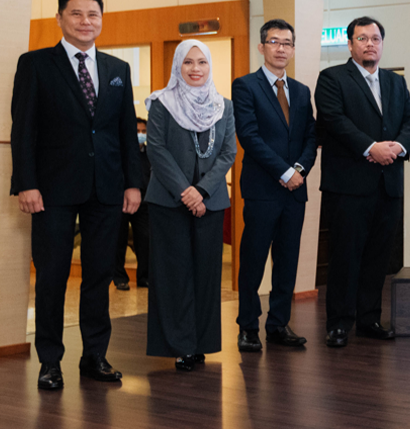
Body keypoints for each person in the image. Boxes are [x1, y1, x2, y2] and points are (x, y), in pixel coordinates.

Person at [10, 0, 143, 391]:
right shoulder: (35, 64)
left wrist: (133, 183)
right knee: (51, 276)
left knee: (99, 275)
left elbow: (126, 132)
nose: (86, 22)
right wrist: (26, 184)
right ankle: (50, 361)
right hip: (51, 190)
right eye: (77, 14)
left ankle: (94, 356)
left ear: (101, 20)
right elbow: (23, 130)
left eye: (93, 15)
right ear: (60, 18)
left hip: (106, 188)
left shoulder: (118, 69)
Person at [316, 16, 410, 347]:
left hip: (388, 185)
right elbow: (334, 120)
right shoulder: (332, 78)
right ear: (350, 44)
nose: (370, 44)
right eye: (362, 38)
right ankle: (339, 323)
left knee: (378, 257)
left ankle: (369, 318)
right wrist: (371, 147)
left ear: (382, 44)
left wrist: (397, 148)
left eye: (375, 38)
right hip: (348, 186)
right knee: (345, 257)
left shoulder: (395, 82)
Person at [144, 40, 237, 371]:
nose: (195, 69)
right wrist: (186, 192)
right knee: (174, 275)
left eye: (202, 62)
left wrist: (202, 191)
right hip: (169, 202)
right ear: (177, 66)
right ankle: (180, 345)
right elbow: (156, 150)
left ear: (209, 66)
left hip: (210, 202)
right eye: (188, 62)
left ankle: (202, 343)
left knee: (207, 275)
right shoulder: (162, 103)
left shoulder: (223, 106)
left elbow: (228, 152)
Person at [232, 19, 318, 352]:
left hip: (295, 191)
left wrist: (299, 170)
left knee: (287, 260)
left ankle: (278, 324)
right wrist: (284, 172)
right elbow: (249, 137)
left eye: (287, 43)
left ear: (293, 50)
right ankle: (247, 326)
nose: (281, 48)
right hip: (262, 190)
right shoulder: (245, 86)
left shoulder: (301, 91)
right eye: (274, 42)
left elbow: (310, 137)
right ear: (262, 46)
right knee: (253, 260)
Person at [113, 118, 152, 290]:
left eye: (143, 131)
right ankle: (119, 277)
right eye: (137, 131)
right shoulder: (120, 152)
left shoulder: (151, 154)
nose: (140, 135)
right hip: (121, 200)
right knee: (119, 240)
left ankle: (144, 277)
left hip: (144, 201)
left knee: (145, 239)